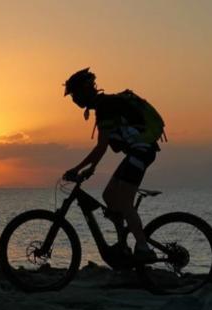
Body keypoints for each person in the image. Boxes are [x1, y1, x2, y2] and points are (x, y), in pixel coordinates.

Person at [63, 68, 161, 261]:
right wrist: (91, 167)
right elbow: (104, 146)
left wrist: (77, 168)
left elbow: (101, 147)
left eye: (74, 95)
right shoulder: (104, 105)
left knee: (124, 202)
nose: (74, 100)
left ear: (83, 92)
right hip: (136, 152)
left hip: (141, 152)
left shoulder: (105, 107)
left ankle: (142, 247)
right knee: (109, 196)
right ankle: (123, 244)